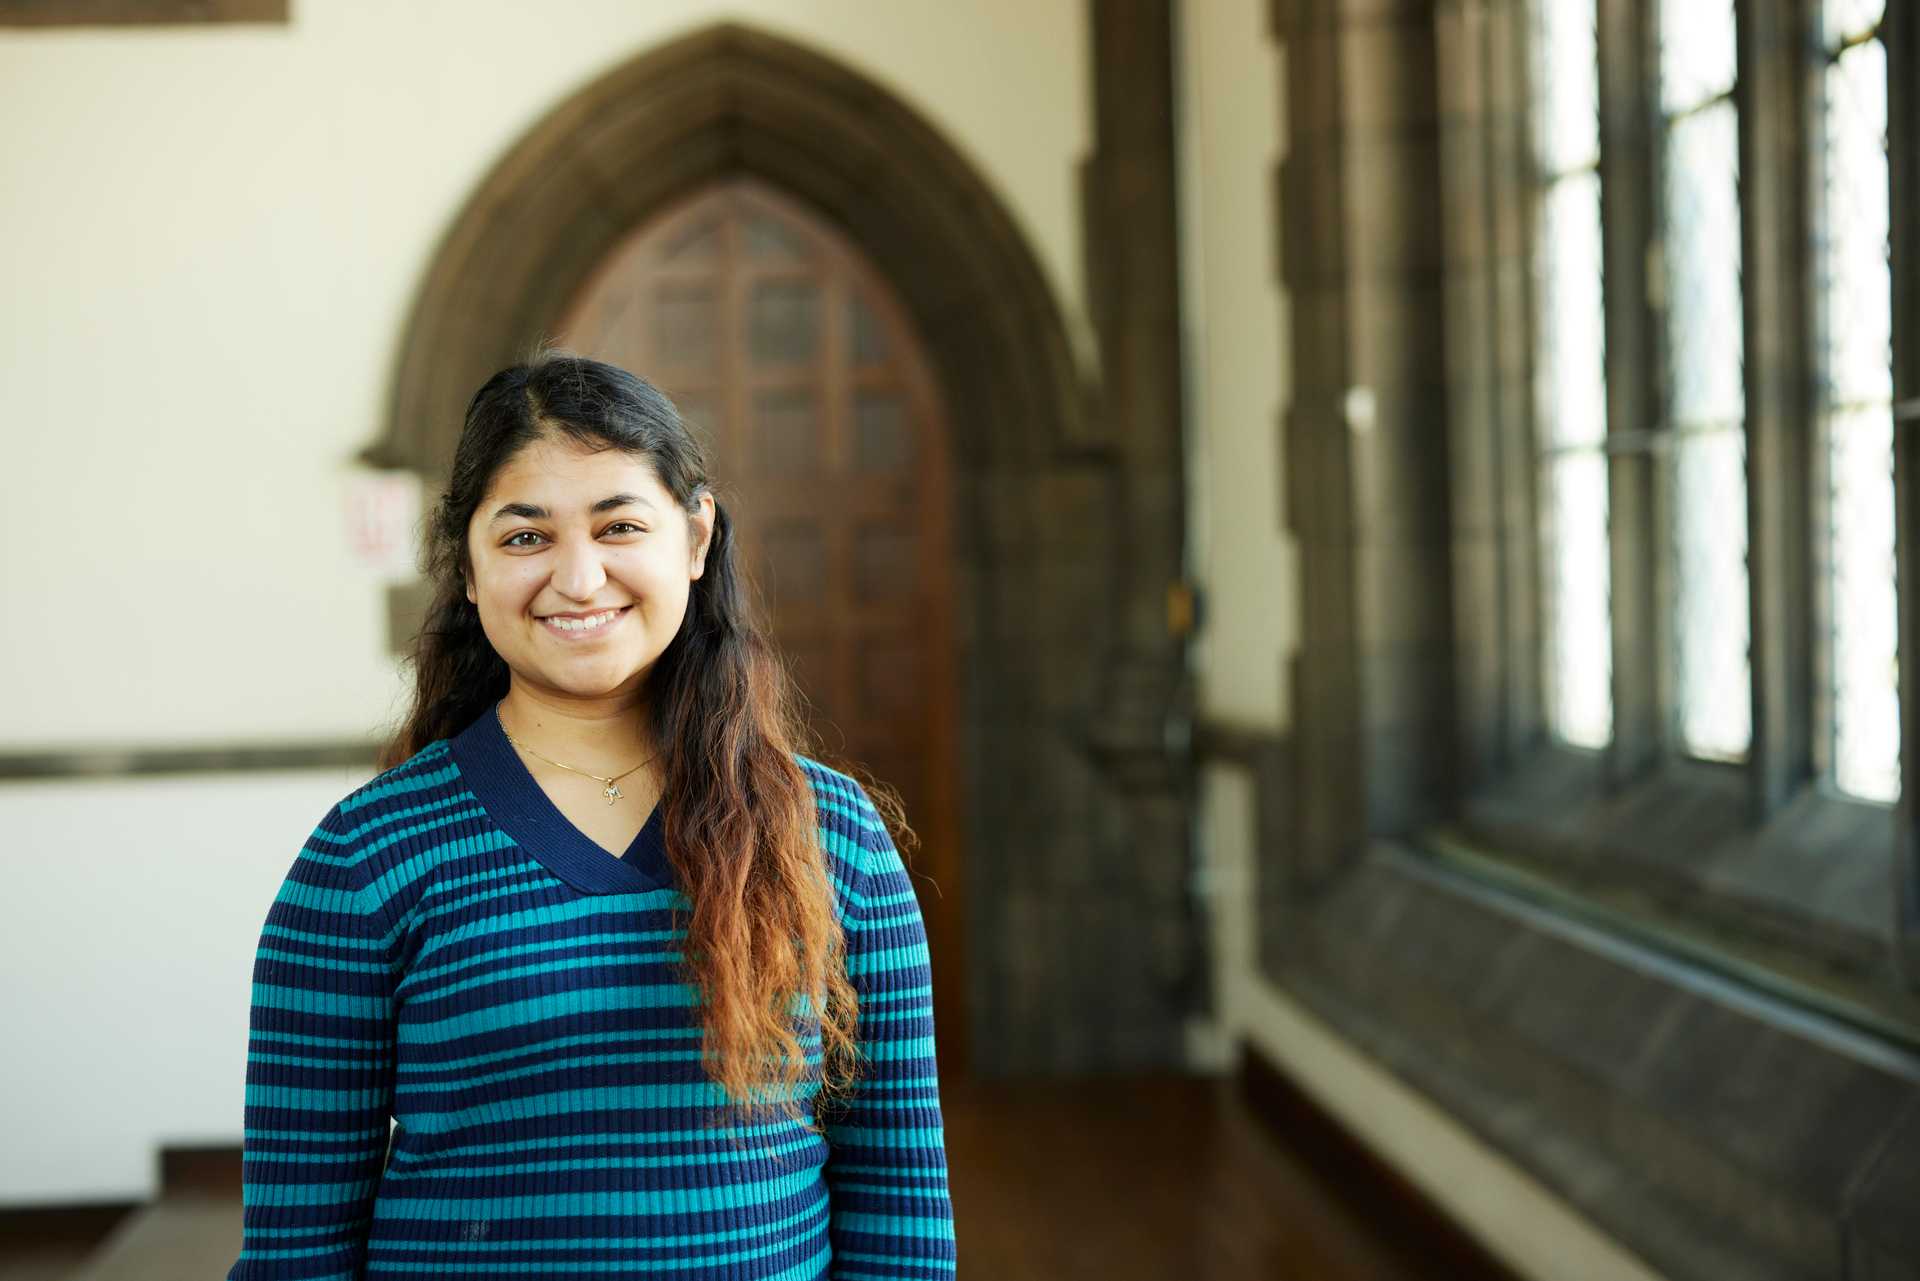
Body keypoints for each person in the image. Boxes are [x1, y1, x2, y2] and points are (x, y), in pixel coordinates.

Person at [226, 350, 957, 1280]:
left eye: (619, 527)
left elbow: (901, 1212)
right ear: (467, 565)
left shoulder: (833, 835)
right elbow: (296, 1250)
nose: (579, 579)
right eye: (526, 537)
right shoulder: (367, 856)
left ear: (694, 541)